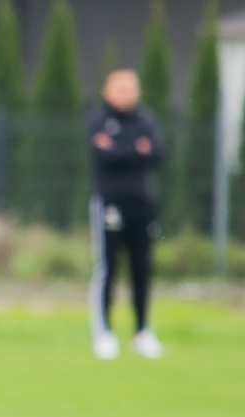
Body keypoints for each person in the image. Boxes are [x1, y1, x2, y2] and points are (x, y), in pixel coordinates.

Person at [89, 68, 164, 360]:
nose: (125, 94)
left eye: (130, 88)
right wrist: (135, 151)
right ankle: (104, 332)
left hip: (142, 205)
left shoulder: (146, 120)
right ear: (107, 91)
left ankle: (142, 332)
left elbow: (157, 152)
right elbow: (103, 156)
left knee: (141, 268)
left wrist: (123, 151)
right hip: (110, 203)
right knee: (108, 267)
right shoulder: (99, 121)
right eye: (119, 88)